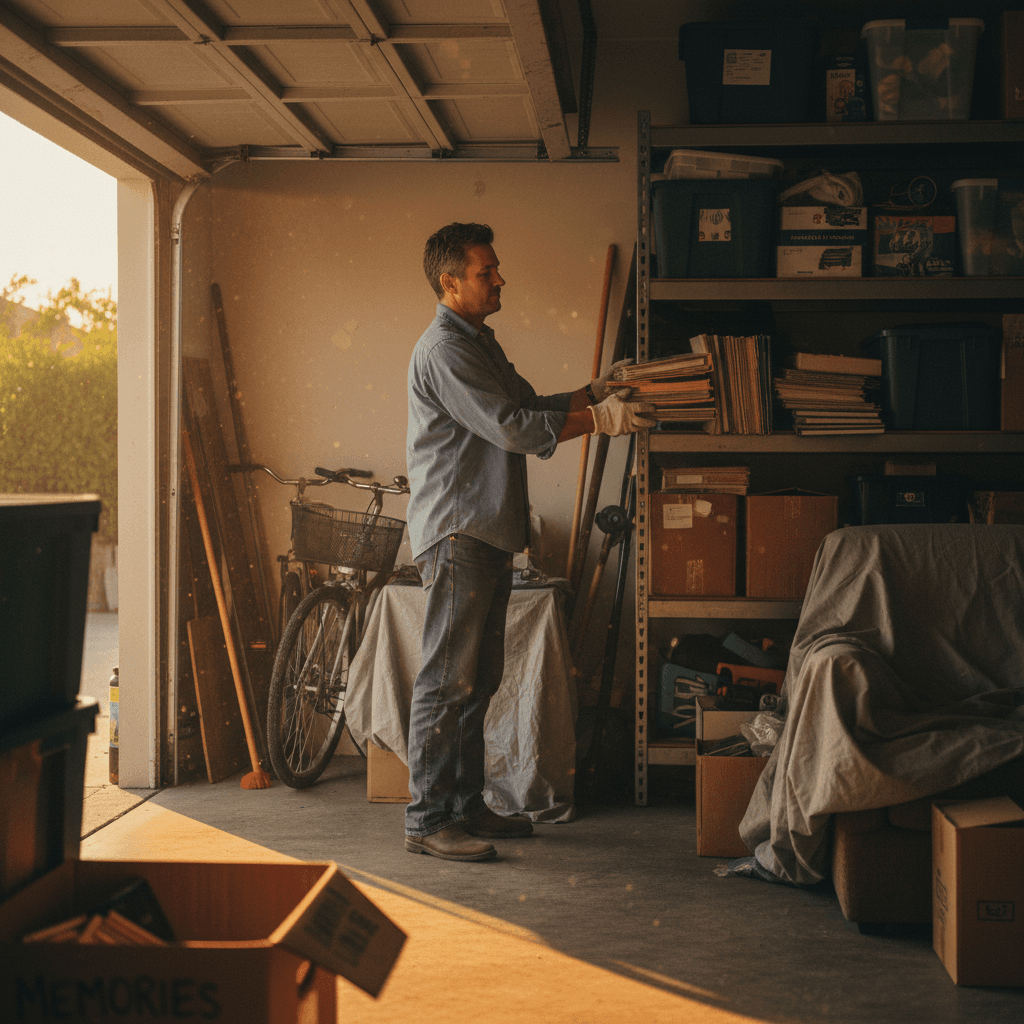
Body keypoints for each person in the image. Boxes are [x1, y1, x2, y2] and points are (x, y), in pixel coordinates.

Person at [404, 222, 655, 862]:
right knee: (447, 681)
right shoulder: (444, 350)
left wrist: (592, 392)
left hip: (485, 531)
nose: (499, 279)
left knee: (478, 679)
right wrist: (597, 421)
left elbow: (530, 403)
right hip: (459, 531)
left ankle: (463, 807)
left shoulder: (478, 342)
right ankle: (427, 821)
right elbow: (513, 428)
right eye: (486, 272)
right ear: (449, 282)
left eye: (495, 269)